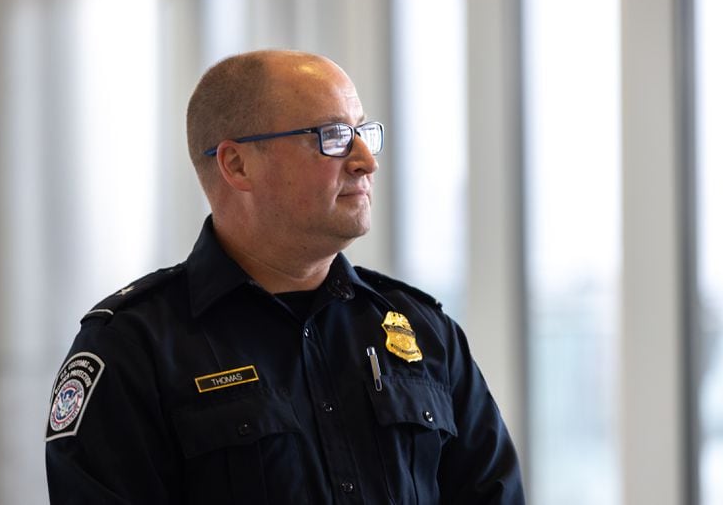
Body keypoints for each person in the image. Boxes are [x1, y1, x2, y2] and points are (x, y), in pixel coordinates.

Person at [45, 49, 525, 504]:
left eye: (362, 132)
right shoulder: (134, 348)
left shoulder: (421, 329)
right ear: (237, 164)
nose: (366, 161)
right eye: (333, 136)